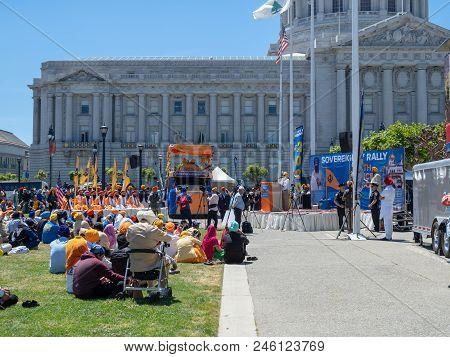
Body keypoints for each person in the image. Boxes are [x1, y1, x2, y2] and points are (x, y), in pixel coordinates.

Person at [380, 176, 396, 241]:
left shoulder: (386, 189)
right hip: (390, 206)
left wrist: (383, 198)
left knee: (386, 223)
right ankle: (389, 236)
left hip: (386, 207)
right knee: (390, 222)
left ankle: (388, 237)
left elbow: (380, 197)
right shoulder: (392, 189)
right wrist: (384, 198)